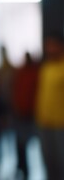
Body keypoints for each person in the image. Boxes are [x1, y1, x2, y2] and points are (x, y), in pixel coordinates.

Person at [35, 33, 64, 179]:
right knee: (48, 162)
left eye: (52, 45)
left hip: (60, 124)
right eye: (47, 45)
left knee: (61, 163)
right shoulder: (46, 67)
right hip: (44, 123)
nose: (49, 49)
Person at [12, 52, 40, 179]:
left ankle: (25, 169)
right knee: (19, 143)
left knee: (24, 142)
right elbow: (16, 91)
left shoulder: (34, 73)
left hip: (28, 113)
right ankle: (21, 167)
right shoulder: (22, 72)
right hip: (20, 112)